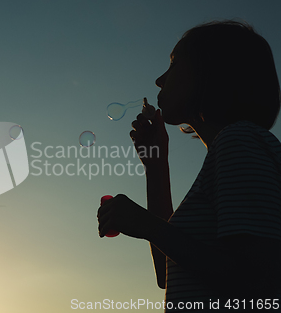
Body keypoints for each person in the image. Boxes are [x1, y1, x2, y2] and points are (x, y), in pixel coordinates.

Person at [97, 20, 281, 312]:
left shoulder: (239, 141)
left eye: (174, 63)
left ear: (213, 71)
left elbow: (258, 282)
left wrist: (145, 224)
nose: (160, 79)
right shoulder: (229, 152)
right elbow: (166, 274)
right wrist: (156, 166)